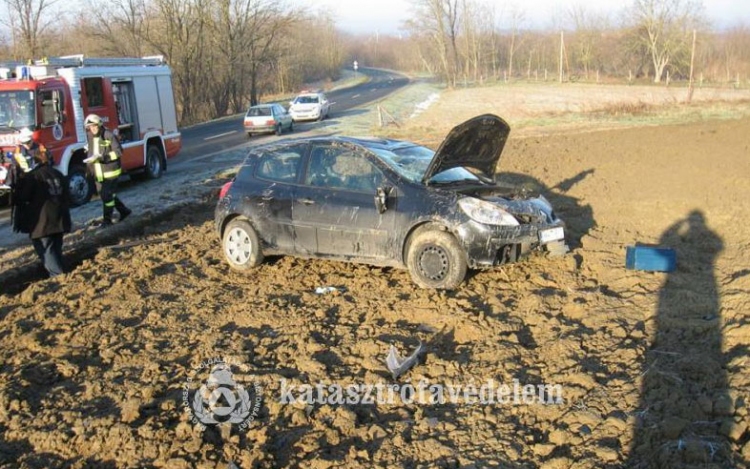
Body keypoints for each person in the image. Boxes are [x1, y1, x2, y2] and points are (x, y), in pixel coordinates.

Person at [13, 150, 71, 277]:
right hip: (60, 218)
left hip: (43, 223)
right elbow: (67, 194)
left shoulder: (34, 176)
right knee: (56, 249)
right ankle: (61, 273)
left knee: (47, 250)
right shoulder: (58, 174)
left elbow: (23, 197)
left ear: (35, 161)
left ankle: (58, 276)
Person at [83, 113, 131, 226]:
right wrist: (89, 170)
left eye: (94, 126)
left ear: (99, 125)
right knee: (108, 195)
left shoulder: (108, 134)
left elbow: (119, 152)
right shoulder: (90, 136)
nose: (93, 129)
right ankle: (124, 211)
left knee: (106, 195)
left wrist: (104, 157)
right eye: (90, 127)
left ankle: (107, 220)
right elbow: (91, 153)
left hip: (111, 172)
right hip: (99, 173)